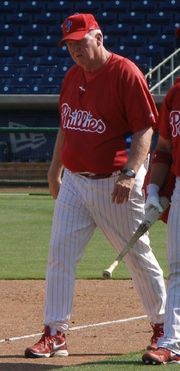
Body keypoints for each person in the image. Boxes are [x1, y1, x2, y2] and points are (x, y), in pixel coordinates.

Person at [25, 13, 167, 358]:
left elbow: (146, 128)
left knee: (137, 256)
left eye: (80, 42)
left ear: (98, 37)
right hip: (74, 180)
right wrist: (53, 171)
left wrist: (131, 173)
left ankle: (165, 327)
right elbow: (66, 126)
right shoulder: (72, 76)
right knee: (60, 254)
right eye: (69, 45)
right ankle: (55, 332)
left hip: (114, 184)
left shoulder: (125, 73)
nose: (75, 50)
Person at [142, 76, 180, 365]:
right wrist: (154, 189)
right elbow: (165, 147)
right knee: (177, 267)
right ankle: (173, 342)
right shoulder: (176, 93)